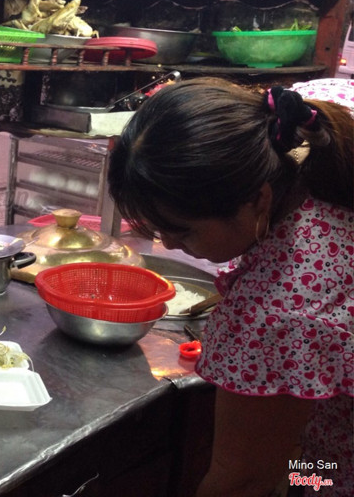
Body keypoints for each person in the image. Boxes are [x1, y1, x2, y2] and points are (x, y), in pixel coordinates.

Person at [107, 78, 353, 496]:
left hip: (341, 469)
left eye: (182, 230)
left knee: (310, 477)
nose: (168, 244)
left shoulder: (278, 310)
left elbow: (241, 481)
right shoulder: (301, 115)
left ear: (258, 199)